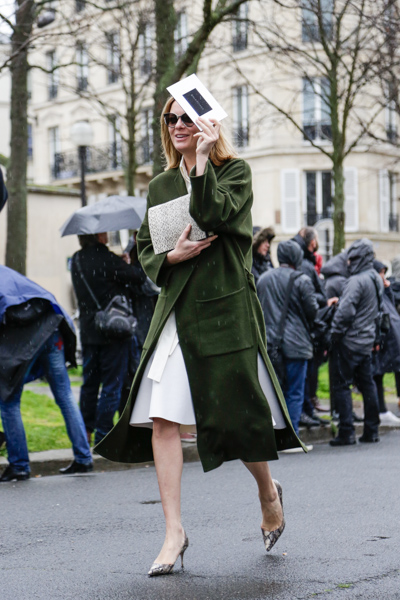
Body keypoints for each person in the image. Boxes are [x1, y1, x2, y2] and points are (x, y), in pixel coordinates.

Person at [96, 96, 304, 575]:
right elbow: (146, 248)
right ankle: (174, 531)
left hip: (225, 311)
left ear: (208, 124)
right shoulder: (162, 184)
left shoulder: (236, 172)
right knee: (163, 417)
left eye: (186, 117)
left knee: (236, 417)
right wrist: (170, 257)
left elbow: (213, 215)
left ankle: (268, 492)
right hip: (176, 310)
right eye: (170, 118)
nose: (177, 125)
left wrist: (204, 161)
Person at [0, 266, 93, 482]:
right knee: (65, 396)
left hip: (25, 340)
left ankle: (19, 466)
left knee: (8, 402)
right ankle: (84, 458)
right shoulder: (7, 274)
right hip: (51, 328)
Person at [71, 232, 146, 446]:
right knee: (112, 385)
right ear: (98, 235)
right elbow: (138, 277)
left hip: (88, 331)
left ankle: (86, 431)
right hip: (113, 331)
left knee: (90, 384)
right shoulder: (107, 258)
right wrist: (128, 262)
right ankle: (103, 435)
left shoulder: (77, 259)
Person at [257, 240, 319, 434]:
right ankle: (291, 437)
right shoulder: (302, 280)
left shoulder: (263, 279)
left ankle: (275, 435)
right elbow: (313, 312)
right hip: (296, 345)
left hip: (270, 345)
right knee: (294, 392)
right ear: (296, 257)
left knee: (275, 393)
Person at [329, 239, 382, 446]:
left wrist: (334, 334)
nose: (349, 262)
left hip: (349, 342)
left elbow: (345, 312)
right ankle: (371, 430)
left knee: (342, 385)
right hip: (366, 340)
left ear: (359, 258)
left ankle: (346, 432)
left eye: (352, 258)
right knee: (368, 385)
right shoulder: (375, 278)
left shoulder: (356, 281)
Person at [371, 260, 400, 425]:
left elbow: (391, 307)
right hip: (381, 338)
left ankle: (381, 410)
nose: (383, 276)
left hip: (388, 337)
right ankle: (380, 409)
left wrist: (388, 289)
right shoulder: (373, 289)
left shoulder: (382, 289)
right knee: (377, 373)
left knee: (380, 372)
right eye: (380, 273)